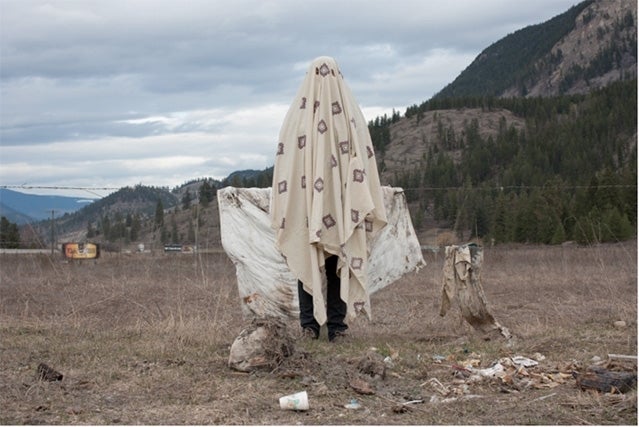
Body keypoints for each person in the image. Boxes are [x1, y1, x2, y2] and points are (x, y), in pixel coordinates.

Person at [270, 56, 387, 341]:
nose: (324, 79)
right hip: (306, 202)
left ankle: (337, 326)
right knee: (306, 257)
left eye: (328, 73)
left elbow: (361, 159)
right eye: (320, 73)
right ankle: (308, 325)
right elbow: (289, 161)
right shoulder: (301, 118)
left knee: (338, 261)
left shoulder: (348, 116)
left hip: (340, 202)